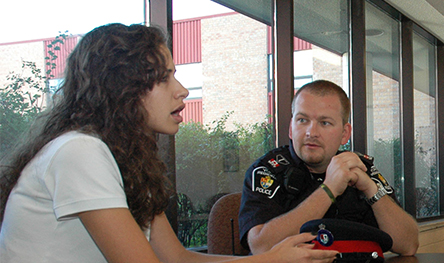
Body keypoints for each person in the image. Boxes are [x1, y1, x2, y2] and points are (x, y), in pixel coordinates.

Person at [0, 24, 337, 263]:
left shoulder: (126, 161)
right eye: (164, 78)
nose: (182, 90)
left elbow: (177, 258)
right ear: (124, 88)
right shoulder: (79, 151)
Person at [238, 80, 419, 255]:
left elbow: (408, 245)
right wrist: (329, 188)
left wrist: (371, 189)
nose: (311, 132)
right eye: (302, 120)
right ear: (291, 128)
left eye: (325, 123)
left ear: (344, 133)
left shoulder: (360, 168)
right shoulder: (267, 171)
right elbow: (261, 247)